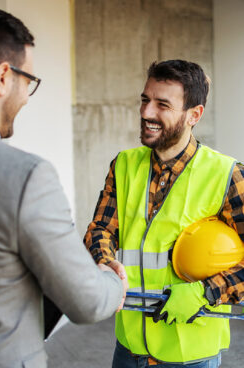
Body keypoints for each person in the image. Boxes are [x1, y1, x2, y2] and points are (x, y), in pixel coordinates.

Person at [0, 7, 127, 368]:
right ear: (4, 77)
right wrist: (110, 281)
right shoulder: (24, 176)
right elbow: (86, 300)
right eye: (29, 81)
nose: (27, 96)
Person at [84, 59, 244, 367]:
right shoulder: (124, 165)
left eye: (162, 105)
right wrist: (105, 262)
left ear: (193, 115)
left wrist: (206, 292)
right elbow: (100, 229)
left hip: (191, 356)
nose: (146, 113)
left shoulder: (228, 175)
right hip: (129, 348)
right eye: (145, 100)